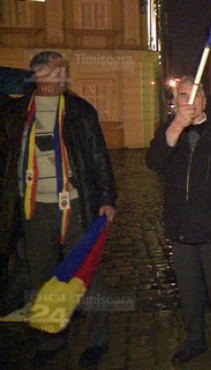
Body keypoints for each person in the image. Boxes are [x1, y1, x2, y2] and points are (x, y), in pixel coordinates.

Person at [0, 51, 116, 366]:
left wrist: (106, 198)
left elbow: (98, 157)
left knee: (87, 274)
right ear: (38, 74)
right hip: (34, 209)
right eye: (55, 69)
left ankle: (97, 340)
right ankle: (51, 340)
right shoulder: (14, 113)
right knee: (42, 276)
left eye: (64, 69)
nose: (63, 75)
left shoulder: (80, 112)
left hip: (76, 206)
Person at [146, 76, 211, 369]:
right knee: (189, 293)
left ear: (204, 100)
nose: (188, 101)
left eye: (194, 95)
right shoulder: (168, 132)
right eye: (182, 96)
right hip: (181, 228)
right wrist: (176, 127)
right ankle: (195, 339)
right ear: (175, 101)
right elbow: (154, 161)